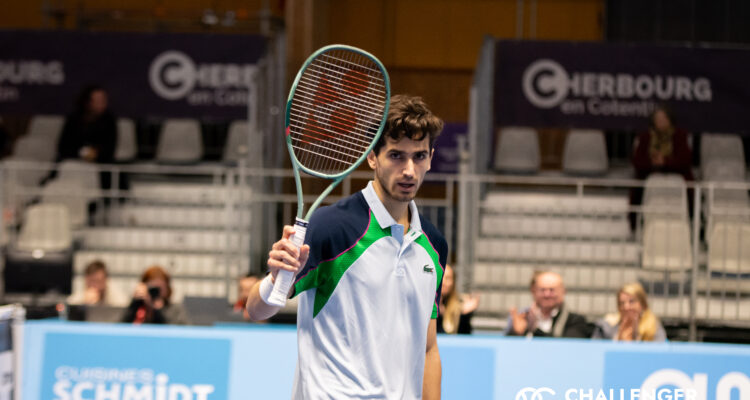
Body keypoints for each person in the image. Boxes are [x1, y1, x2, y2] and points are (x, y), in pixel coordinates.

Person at [246, 95, 447, 399]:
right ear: (372, 157)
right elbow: (257, 310)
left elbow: (428, 347)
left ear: (430, 158)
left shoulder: (434, 246)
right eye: (396, 156)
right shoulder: (331, 228)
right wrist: (276, 278)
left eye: (418, 156)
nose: (409, 170)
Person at [630, 105, 694, 229]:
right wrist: (653, 163)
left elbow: (686, 160)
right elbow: (637, 161)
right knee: (638, 186)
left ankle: (690, 222)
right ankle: (637, 224)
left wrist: (665, 162)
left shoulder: (680, 136)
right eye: (658, 119)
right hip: (649, 173)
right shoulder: (645, 137)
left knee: (690, 188)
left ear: (670, 119)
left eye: (663, 118)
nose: (660, 122)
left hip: (678, 174)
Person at [505, 270, 593, 338]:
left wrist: (534, 330)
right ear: (534, 292)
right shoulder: (523, 318)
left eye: (552, 290)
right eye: (542, 290)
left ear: (563, 292)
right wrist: (515, 332)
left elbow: (566, 347)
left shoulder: (575, 321)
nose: (547, 294)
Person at [57, 85, 117, 164]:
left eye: (103, 100)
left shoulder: (109, 121)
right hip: (72, 161)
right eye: (98, 101)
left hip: (101, 165)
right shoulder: (74, 119)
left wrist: (95, 154)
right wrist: (83, 152)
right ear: (87, 102)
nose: (102, 104)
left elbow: (109, 150)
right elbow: (63, 147)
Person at [592, 282, 667, 342]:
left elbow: (660, 353)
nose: (626, 307)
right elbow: (595, 351)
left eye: (632, 302)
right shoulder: (606, 326)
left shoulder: (653, 326)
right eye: (621, 303)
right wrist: (618, 339)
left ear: (643, 304)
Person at [121, 265, 189, 325]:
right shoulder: (137, 308)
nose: (155, 293)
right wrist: (134, 304)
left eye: (159, 289)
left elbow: (176, 332)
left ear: (167, 288)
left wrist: (158, 311)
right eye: (152, 289)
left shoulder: (175, 310)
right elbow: (120, 329)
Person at [437, 264, 479, 334]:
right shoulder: (428, 305)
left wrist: (464, 315)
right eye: (441, 278)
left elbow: (463, 337)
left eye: (447, 278)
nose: (443, 282)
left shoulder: (460, 304)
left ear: (453, 282)